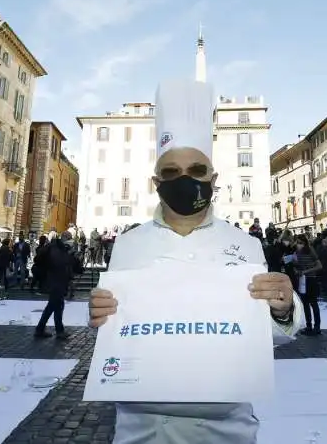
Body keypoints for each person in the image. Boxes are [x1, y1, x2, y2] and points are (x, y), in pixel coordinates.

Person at [88, 80, 304, 443]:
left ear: (213, 179)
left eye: (197, 170)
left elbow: (262, 336)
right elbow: (116, 328)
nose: (184, 179)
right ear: (156, 182)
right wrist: (99, 314)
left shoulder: (245, 245)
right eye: (171, 173)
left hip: (225, 430)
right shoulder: (127, 244)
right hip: (142, 430)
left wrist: (282, 309)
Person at [35, 234, 79, 339]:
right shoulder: (58, 251)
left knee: (56, 306)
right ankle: (49, 330)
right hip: (56, 282)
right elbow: (62, 264)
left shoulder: (56, 249)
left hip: (56, 282)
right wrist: (71, 256)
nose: (71, 242)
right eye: (69, 239)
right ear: (65, 239)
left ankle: (46, 329)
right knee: (53, 306)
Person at [293, 234, 322, 335]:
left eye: (300, 243)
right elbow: (297, 266)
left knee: (313, 303)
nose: (298, 245)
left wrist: (306, 271)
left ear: (304, 243)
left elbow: (319, 266)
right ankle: (308, 326)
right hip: (302, 280)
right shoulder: (296, 253)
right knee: (305, 304)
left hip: (311, 279)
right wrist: (296, 269)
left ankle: (317, 327)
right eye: (297, 242)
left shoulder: (310, 250)